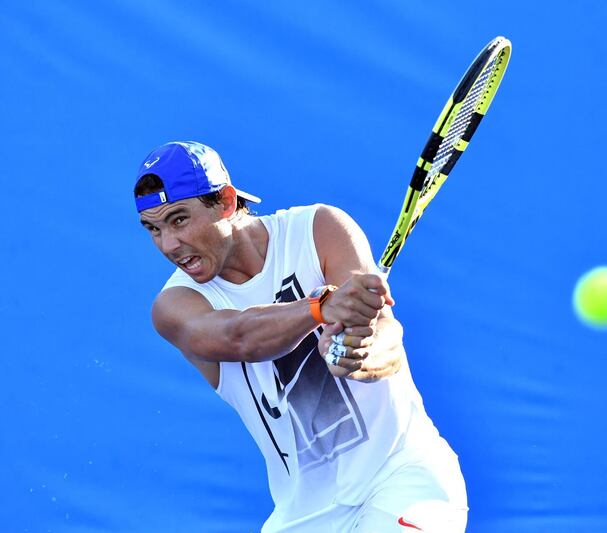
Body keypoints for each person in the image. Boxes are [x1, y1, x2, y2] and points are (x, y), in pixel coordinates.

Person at [133, 141, 467, 532]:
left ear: (225, 202)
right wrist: (320, 308)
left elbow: (385, 335)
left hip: (402, 477)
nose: (168, 245)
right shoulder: (175, 305)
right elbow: (238, 337)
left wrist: (360, 354)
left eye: (178, 220)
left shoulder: (319, 229)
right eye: (153, 229)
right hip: (303, 518)